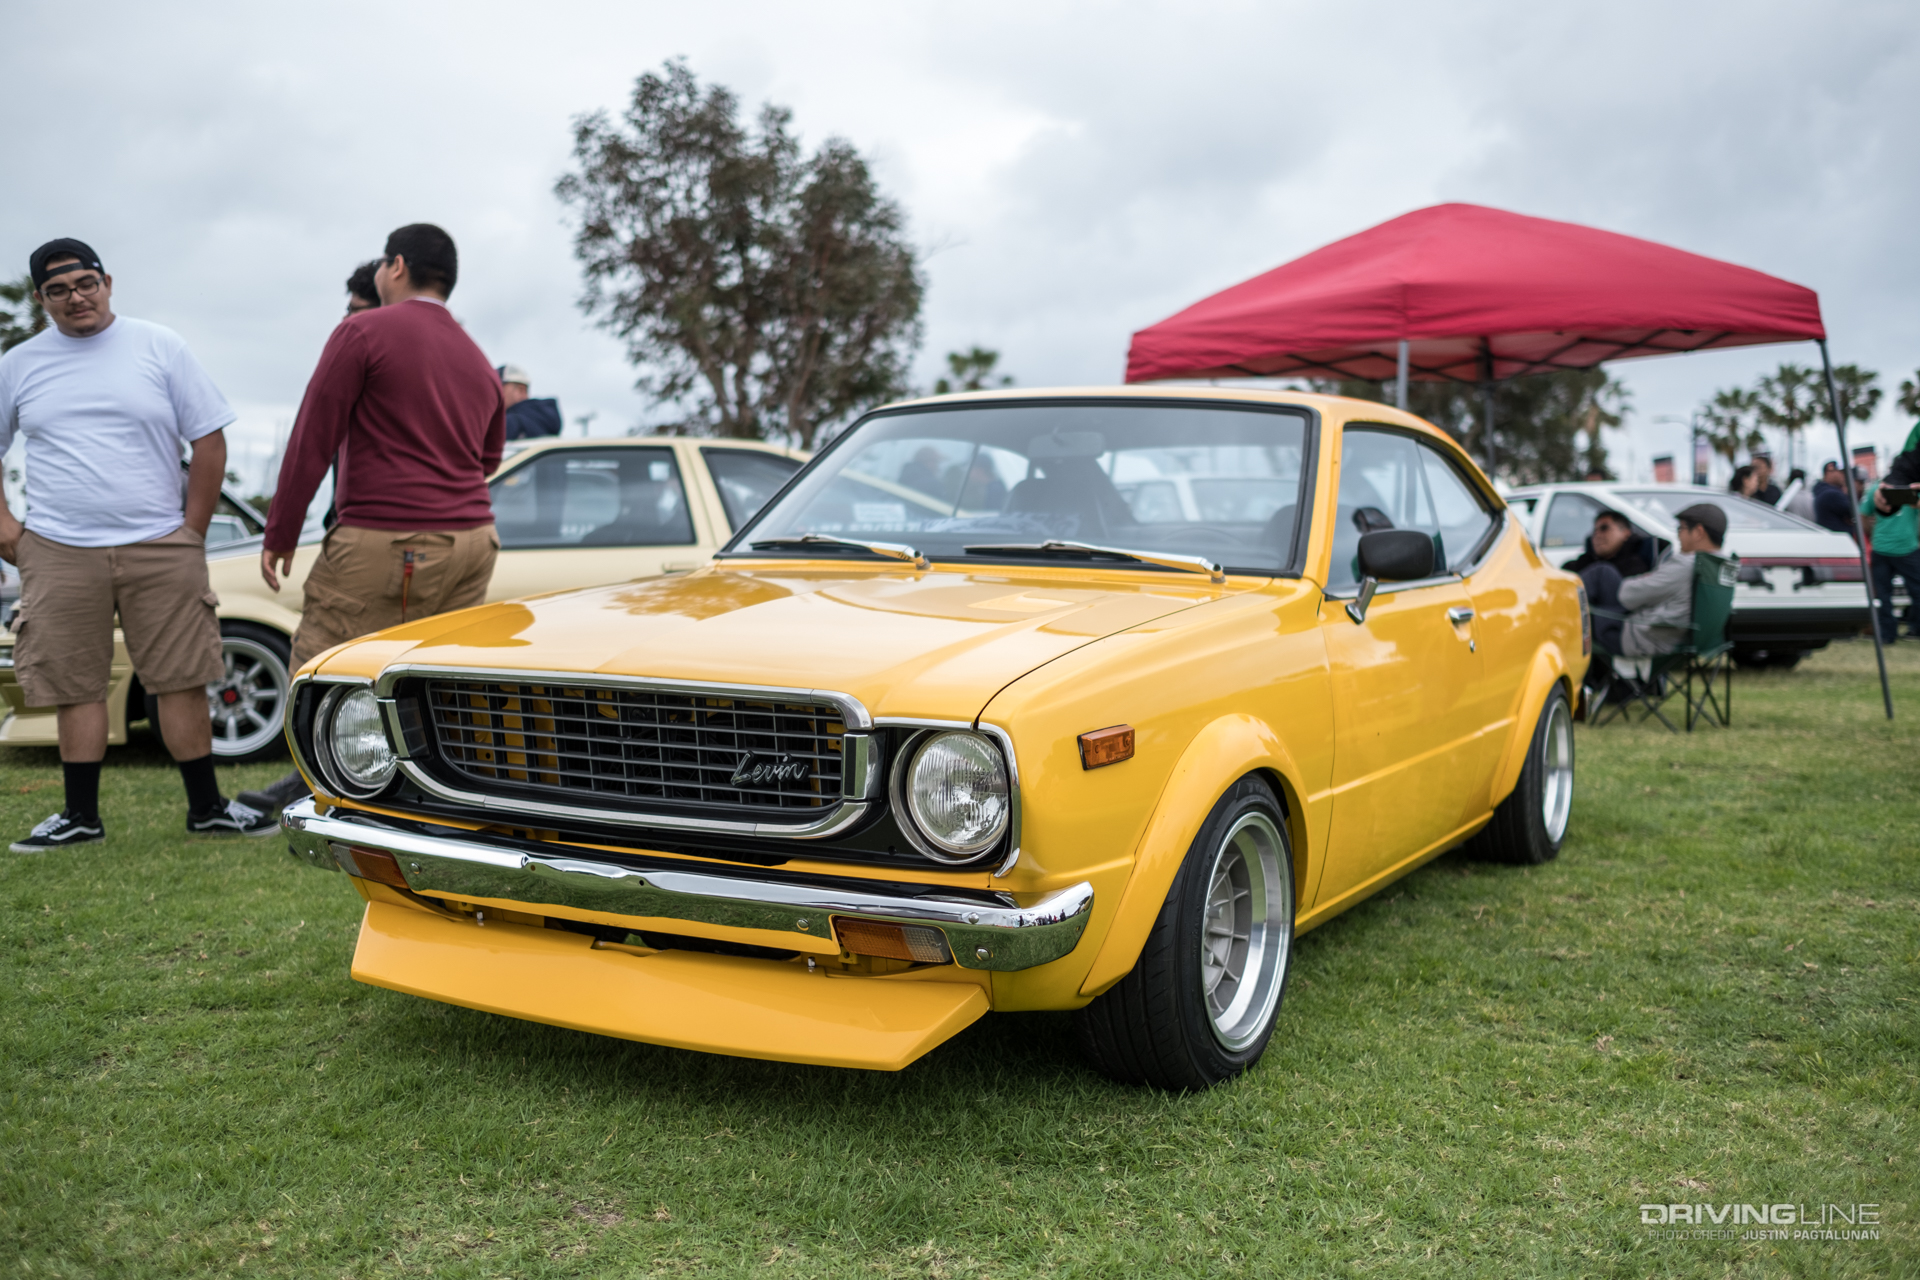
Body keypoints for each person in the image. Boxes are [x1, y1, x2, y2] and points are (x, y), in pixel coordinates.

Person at [0, 238, 276, 850]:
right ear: (42, 299)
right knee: (75, 683)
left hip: (161, 545)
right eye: (59, 290)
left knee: (180, 677)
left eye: (85, 283)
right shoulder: (18, 363)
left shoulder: (160, 345)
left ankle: (207, 808)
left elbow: (209, 439)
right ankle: (80, 818)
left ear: (107, 282)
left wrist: (192, 532)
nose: (76, 298)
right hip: (59, 548)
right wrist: (6, 527)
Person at [247, 224, 505, 814]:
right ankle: (436, 800)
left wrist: (281, 530)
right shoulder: (477, 356)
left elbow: (315, 433)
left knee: (323, 664)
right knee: (431, 676)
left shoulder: (362, 330)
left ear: (396, 265)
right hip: (474, 537)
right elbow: (488, 458)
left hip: (390, 535)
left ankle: (317, 796)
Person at [1579, 503, 1727, 700]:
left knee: (1602, 573)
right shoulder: (1720, 565)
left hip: (1642, 639)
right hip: (1688, 640)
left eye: (1681, 529)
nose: (1678, 535)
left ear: (1698, 531)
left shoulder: (1686, 564)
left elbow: (1628, 595)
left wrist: (1645, 579)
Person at [1862, 424, 1920, 642]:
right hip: (1892, 548)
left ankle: (1903, 631)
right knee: (1884, 596)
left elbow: (1863, 516)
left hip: (1902, 548)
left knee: (1899, 593)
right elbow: (1865, 513)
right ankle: (1889, 634)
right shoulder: (1881, 486)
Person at [1564, 508, 1651, 579]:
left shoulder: (1634, 566)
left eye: (1604, 528)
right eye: (1595, 531)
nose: (1597, 535)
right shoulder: (1581, 563)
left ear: (1625, 533)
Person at [499, 364, 561, 439]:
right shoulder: (543, 421)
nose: (493, 393)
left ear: (520, 390)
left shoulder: (511, 422)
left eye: (498, 386)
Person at [1811, 461, 1858, 537]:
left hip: (1831, 538)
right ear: (1829, 472)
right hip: (1840, 539)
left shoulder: (1821, 490)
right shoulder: (1831, 494)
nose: (1844, 475)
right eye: (1841, 472)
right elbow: (1856, 513)